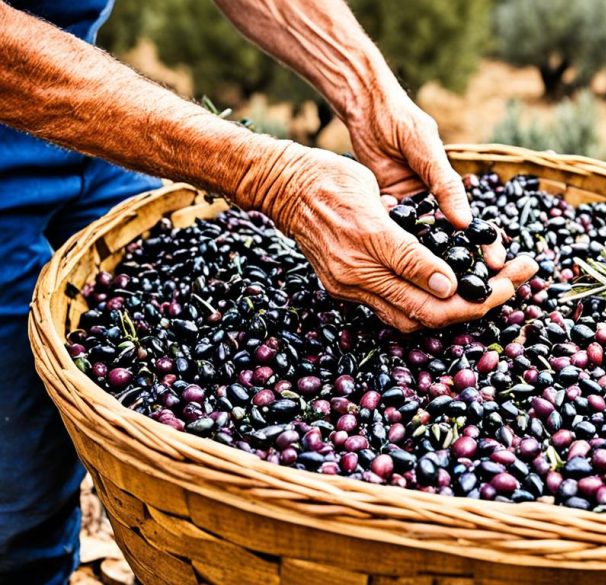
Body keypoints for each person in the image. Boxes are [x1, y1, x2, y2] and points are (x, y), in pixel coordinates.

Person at [0, 1, 538, 582]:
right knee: (15, 503)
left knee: (126, 317)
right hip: (27, 80)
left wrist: (367, 88)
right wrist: (271, 178)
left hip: (81, 86)